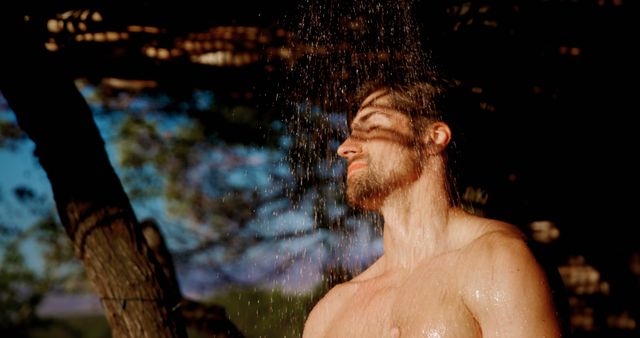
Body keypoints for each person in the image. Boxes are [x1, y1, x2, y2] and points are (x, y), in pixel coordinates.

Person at [302, 81, 565, 337]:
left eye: (371, 126)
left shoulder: (500, 262)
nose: (345, 148)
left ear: (434, 138)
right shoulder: (330, 312)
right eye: (350, 133)